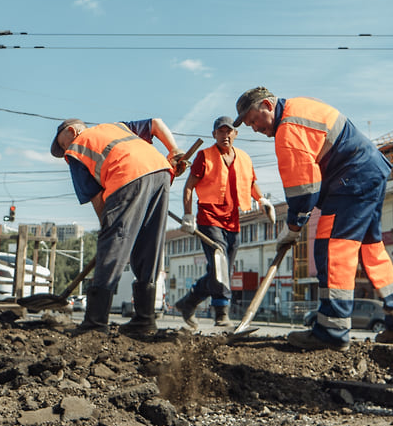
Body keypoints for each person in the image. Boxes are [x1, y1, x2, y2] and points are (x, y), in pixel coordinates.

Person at [234, 87, 393, 351]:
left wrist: (293, 227)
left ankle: (332, 330)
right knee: (370, 247)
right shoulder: (300, 105)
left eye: (254, 120)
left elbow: (304, 190)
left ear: (266, 105)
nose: (254, 129)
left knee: (331, 249)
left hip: (350, 180)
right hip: (371, 170)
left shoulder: (287, 130)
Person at [52, 116, 189, 338]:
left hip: (127, 175)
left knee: (113, 243)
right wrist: (174, 150)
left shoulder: (76, 149)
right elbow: (156, 122)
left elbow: (98, 200)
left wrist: (110, 231)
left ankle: (95, 322)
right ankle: (145, 319)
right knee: (148, 243)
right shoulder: (116, 127)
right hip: (160, 170)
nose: (64, 149)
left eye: (61, 143)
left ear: (71, 131)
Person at [176, 116, 274, 329]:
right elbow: (189, 186)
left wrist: (262, 200)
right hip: (209, 219)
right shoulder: (205, 156)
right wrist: (187, 215)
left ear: (235, 134)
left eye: (229, 131)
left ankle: (188, 302)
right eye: (221, 131)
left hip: (233, 221)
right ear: (214, 135)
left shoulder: (245, 158)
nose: (225, 135)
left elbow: (251, 183)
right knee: (219, 263)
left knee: (222, 271)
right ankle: (221, 313)